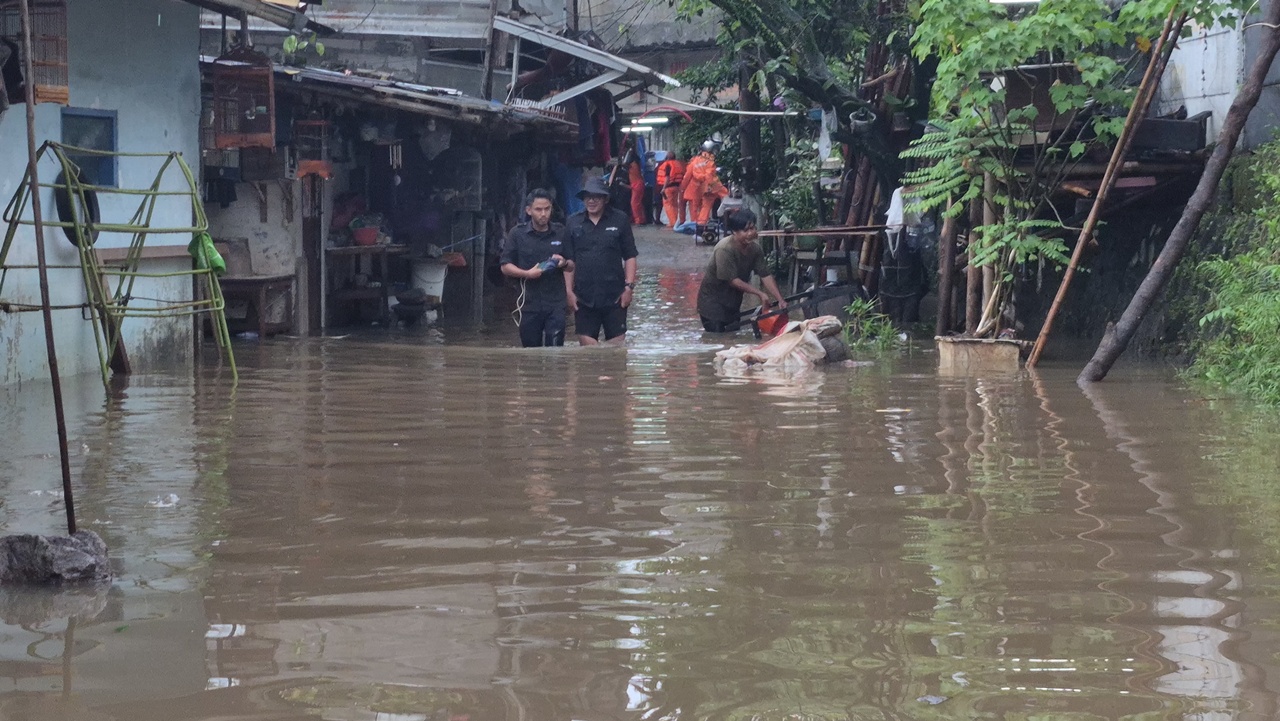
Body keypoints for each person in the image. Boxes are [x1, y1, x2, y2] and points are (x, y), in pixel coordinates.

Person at [567, 177, 639, 345]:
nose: (591, 201)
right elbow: (569, 262)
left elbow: (630, 256)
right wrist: (569, 292)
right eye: (588, 197)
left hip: (615, 296)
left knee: (615, 350)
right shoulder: (573, 222)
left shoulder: (620, 220)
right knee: (588, 350)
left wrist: (629, 287)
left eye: (596, 197)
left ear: (605, 199)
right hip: (583, 297)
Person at [500, 189, 574, 347]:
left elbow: (572, 265)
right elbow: (505, 266)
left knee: (555, 351)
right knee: (530, 351)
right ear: (528, 210)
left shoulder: (561, 232)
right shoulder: (517, 234)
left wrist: (563, 263)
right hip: (528, 304)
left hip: (556, 303)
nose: (543, 214)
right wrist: (527, 273)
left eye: (547, 209)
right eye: (538, 209)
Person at [696, 207, 787, 333]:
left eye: (752, 228)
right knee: (718, 337)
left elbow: (765, 274)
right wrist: (760, 294)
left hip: (732, 304)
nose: (750, 233)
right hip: (712, 303)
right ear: (734, 231)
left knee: (733, 336)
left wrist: (780, 299)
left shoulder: (755, 249)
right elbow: (733, 281)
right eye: (745, 230)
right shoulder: (724, 249)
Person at [683, 140, 718, 227]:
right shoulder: (711, 161)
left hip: (694, 190)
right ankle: (701, 225)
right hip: (706, 188)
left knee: (695, 209)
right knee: (705, 208)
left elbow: (687, 176)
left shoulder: (695, 162)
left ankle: (696, 226)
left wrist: (682, 188)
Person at [656, 150, 686, 230]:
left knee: (668, 205)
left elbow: (667, 178)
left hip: (668, 188)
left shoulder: (667, 165)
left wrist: (663, 188)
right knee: (675, 205)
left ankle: (673, 223)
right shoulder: (678, 164)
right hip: (677, 187)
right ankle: (676, 222)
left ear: (667, 157)